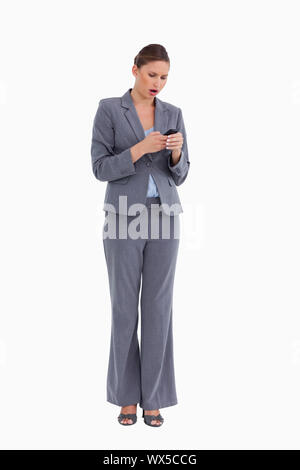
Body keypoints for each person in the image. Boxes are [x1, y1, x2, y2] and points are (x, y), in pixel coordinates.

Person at [90, 44, 190, 426]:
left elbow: (180, 174)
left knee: (159, 308)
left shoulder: (173, 113)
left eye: (164, 77)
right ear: (134, 70)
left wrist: (178, 155)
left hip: (165, 217)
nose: (158, 84)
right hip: (122, 216)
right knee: (123, 307)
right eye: (152, 75)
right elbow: (99, 167)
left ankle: (155, 399)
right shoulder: (108, 109)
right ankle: (126, 398)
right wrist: (138, 149)